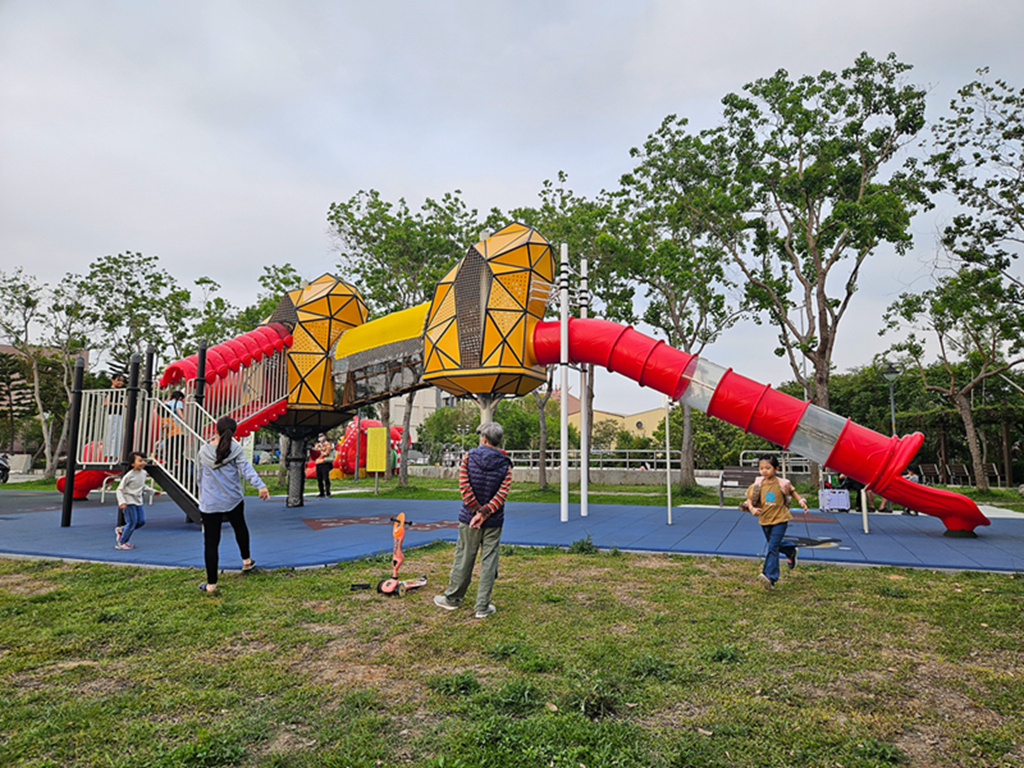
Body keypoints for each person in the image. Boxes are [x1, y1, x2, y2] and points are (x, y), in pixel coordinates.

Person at [434, 421, 512, 618]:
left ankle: (452, 599)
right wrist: (485, 512)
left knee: (464, 556)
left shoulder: (468, 457)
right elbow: (502, 494)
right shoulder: (506, 464)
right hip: (494, 520)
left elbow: (464, 487)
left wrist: (476, 512)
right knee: (489, 561)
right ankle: (482, 607)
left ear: (484, 438)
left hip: (469, 518)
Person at [195, 416, 270, 594]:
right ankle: (246, 561)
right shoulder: (236, 449)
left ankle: (211, 585)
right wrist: (260, 485)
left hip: (210, 502)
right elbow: (246, 469)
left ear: (215, 430)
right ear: (234, 432)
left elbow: (199, 477)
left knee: (211, 543)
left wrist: (203, 494)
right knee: (240, 527)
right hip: (232, 499)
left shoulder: (203, 451)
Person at [744, 454, 809, 591]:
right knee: (775, 545)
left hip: (781, 519)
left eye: (768, 468)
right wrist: (752, 509)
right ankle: (790, 550)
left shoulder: (782, 483)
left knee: (772, 547)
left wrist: (801, 501)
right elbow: (749, 499)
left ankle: (770, 576)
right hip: (765, 520)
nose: (764, 471)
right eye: (761, 468)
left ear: (776, 468)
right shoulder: (758, 484)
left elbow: (792, 492)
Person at [114, 451, 148, 550]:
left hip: (138, 501)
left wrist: (153, 491)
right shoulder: (129, 475)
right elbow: (119, 489)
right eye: (140, 461)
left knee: (141, 521)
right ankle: (121, 542)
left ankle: (122, 530)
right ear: (133, 463)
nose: (143, 463)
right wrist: (122, 502)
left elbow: (141, 486)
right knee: (132, 522)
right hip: (128, 501)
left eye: (144, 460)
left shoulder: (143, 473)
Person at [313, 432, 335, 498]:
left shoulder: (328, 444)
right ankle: (321, 492)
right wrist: (321, 452)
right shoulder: (317, 445)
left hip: (325, 463)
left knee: (326, 478)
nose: (320, 437)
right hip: (318, 463)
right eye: (319, 436)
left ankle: (328, 493)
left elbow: (326, 453)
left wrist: (321, 452)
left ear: (325, 436)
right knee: (319, 479)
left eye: (321, 436)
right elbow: (316, 453)